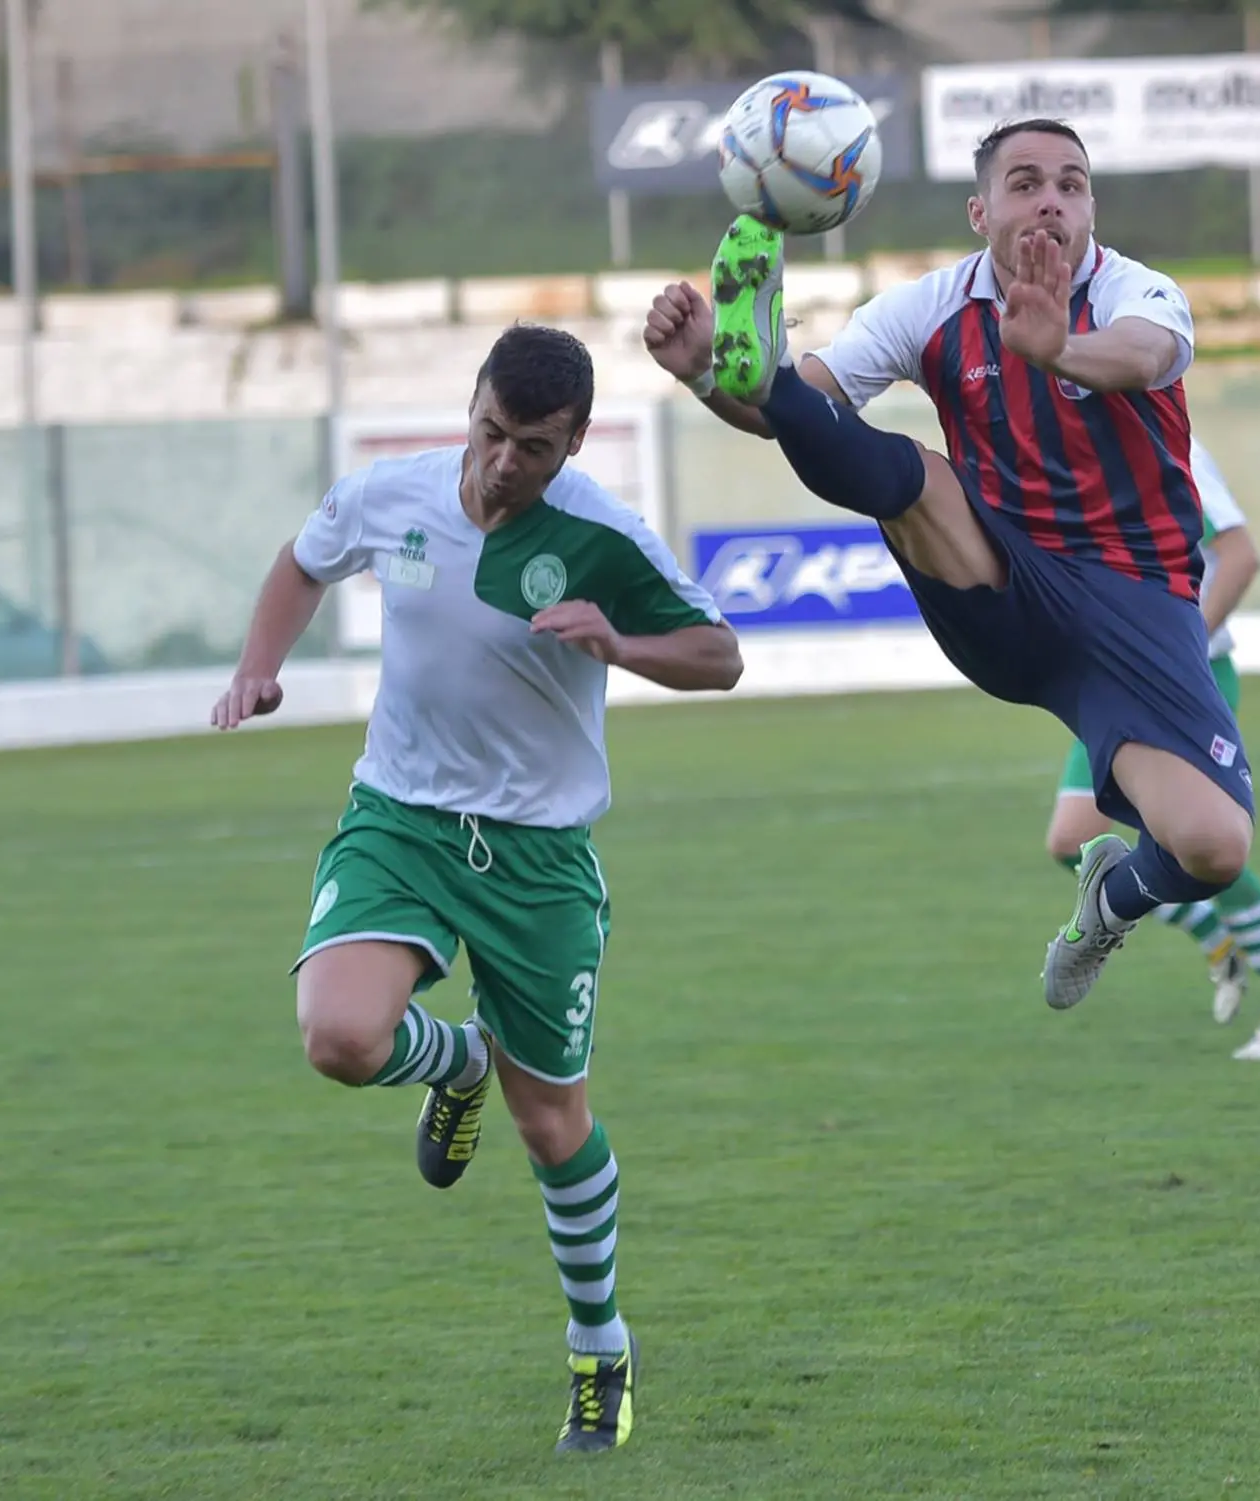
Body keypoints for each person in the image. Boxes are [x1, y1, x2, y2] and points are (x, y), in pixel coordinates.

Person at [209, 323, 743, 1455]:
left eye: (533, 447)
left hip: (537, 856)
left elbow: (719, 654)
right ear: (472, 406)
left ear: (574, 443)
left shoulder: (600, 535)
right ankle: (457, 1062)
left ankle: (599, 1349)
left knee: (551, 1122)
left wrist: (619, 642)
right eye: (492, 431)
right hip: (399, 818)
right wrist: (260, 665)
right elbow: (303, 561)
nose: (504, 462)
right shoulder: (393, 495)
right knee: (338, 1037)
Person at [644, 117, 1251, 1013]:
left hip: (1139, 604)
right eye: (1026, 182)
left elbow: (1144, 356)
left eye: (1072, 183)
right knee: (916, 475)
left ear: (1091, 208)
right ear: (980, 212)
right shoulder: (929, 308)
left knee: (1214, 848)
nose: (1052, 199)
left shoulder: (1138, 291)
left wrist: (1058, 347)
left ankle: (1111, 898)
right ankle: (758, 361)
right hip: (1003, 581)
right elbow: (799, 425)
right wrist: (711, 378)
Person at [1044, 435, 1260, 1061]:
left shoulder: (1167, 446)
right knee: (1070, 842)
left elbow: (1241, 556)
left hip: (1179, 682)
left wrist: (1176, 652)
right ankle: (1215, 938)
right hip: (1115, 684)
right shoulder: (1063, 448)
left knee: (1200, 841)